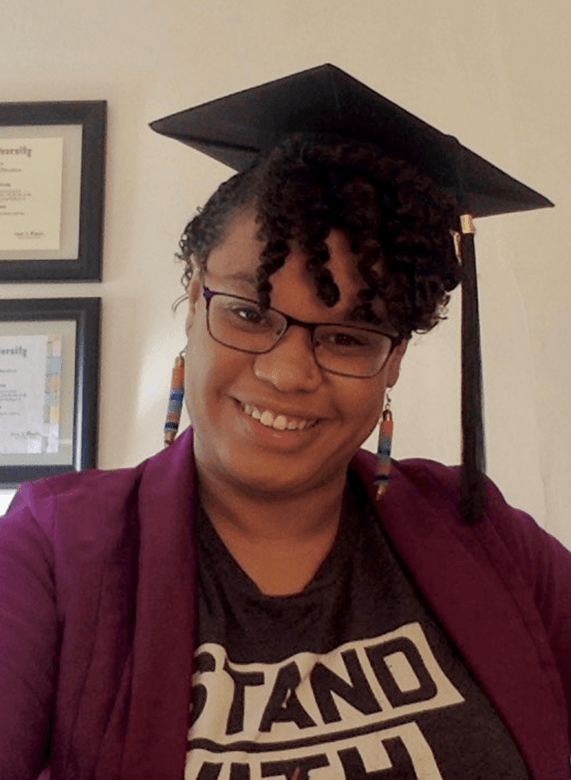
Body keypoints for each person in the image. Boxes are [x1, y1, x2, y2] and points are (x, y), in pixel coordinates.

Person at [1, 67, 570, 780]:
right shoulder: (52, 553)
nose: (289, 372)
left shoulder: (485, 536)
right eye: (248, 313)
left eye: (348, 336)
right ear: (192, 296)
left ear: (393, 359)